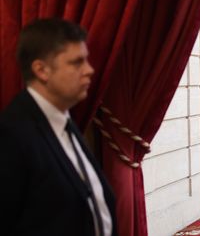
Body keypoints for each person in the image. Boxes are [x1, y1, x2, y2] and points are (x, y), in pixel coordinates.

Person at [0, 18, 117, 236]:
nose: (90, 70)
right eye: (77, 62)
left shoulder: (64, 120)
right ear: (41, 70)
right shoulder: (11, 136)